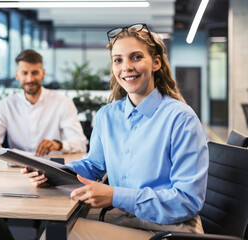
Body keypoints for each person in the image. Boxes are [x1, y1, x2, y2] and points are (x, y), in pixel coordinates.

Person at [22, 23, 209, 239]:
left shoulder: (181, 119)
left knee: (64, 235)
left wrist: (115, 196)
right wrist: (51, 173)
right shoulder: (107, 116)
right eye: (118, 60)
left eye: (136, 57)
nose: (126, 67)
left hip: (171, 229)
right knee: (54, 226)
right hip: (127, 216)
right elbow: (92, 165)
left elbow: (186, 201)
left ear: (156, 62)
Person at [0, 49, 87, 156]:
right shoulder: (6, 105)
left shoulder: (63, 103)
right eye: (25, 73)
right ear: (17, 75)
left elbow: (81, 145)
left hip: (52, 167)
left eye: (35, 73)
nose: (30, 79)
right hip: (17, 166)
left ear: (43, 73)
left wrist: (58, 145)